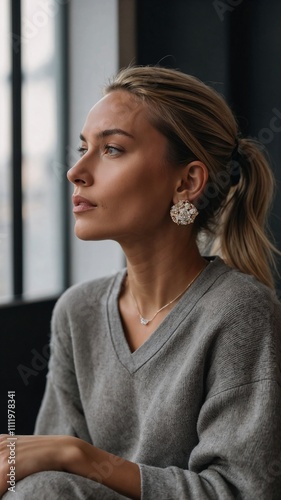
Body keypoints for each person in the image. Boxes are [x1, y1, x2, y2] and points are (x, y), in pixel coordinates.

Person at [1, 65, 281, 500]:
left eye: (111, 149)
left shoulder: (240, 311)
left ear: (187, 181)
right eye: (82, 148)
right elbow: (39, 474)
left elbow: (242, 492)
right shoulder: (78, 311)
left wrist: (80, 456)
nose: (76, 171)